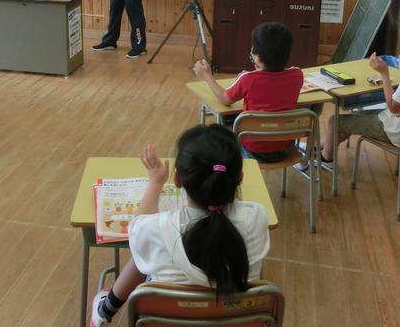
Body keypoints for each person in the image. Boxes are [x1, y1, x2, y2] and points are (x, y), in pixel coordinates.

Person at [90, 123, 269, 326]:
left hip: (168, 320)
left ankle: (105, 310)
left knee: (147, 254)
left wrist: (156, 182)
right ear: (240, 178)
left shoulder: (154, 228)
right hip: (234, 320)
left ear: (177, 180)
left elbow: (138, 224)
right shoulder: (258, 216)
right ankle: (105, 309)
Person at [320, 15, 400, 164]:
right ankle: (323, 146)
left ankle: (325, 158)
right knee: (354, 118)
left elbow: (393, 107)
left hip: (396, 133)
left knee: (334, 121)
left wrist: (384, 73)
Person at [192, 22, 303, 162]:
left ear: (257, 58)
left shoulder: (248, 79)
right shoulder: (297, 75)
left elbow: (225, 99)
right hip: (284, 147)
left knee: (223, 122)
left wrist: (206, 75)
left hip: (254, 150)